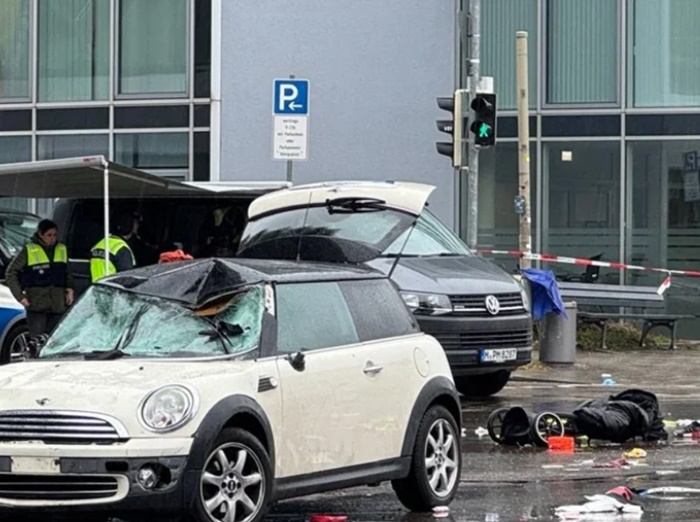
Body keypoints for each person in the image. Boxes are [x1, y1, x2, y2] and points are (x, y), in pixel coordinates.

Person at [5, 219, 74, 340]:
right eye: (49, 235)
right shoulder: (29, 250)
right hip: (37, 304)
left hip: (57, 304)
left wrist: (70, 289)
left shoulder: (61, 248)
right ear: (40, 234)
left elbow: (67, 271)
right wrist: (20, 296)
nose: (52, 238)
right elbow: (11, 273)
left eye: (54, 235)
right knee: (37, 341)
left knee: (55, 341)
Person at [89, 213, 138, 282]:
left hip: (96, 289)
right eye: (136, 223)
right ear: (130, 226)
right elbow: (127, 279)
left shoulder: (99, 244)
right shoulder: (121, 249)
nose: (138, 225)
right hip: (111, 290)